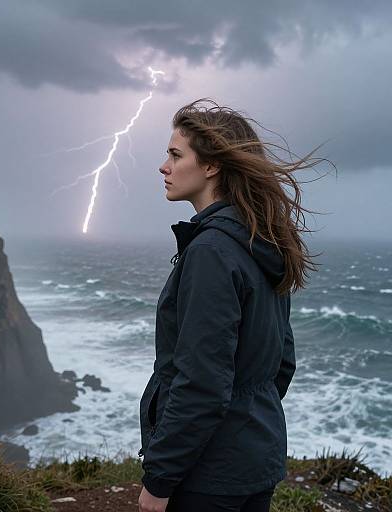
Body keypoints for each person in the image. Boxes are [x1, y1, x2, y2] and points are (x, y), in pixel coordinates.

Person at [138, 99, 334, 512]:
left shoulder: (211, 251)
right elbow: (282, 361)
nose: (164, 166)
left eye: (175, 154)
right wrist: (244, 417)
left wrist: (160, 479)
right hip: (254, 459)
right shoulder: (262, 241)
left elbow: (201, 382)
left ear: (211, 166)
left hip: (207, 476)